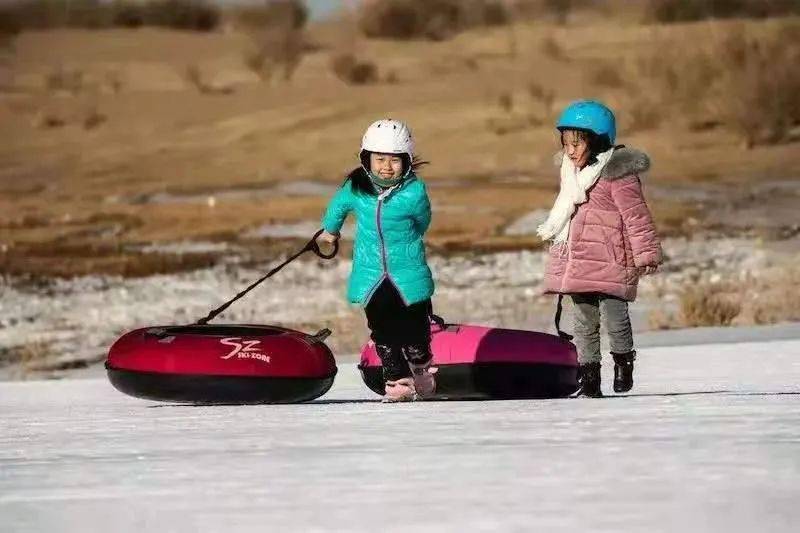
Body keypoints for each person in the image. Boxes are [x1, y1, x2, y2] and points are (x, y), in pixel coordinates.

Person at [538, 100, 663, 397]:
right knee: (583, 323)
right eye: (566, 144)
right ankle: (590, 378)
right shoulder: (571, 175)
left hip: (613, 260)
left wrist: (646, 253)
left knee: (616, 319)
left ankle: (623, 362)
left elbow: (636, 216)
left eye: (577, 144)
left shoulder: (617, 174)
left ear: (598, 141)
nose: (570, 151)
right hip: (580, 261)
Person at [319, 119, 436, 402]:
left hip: (407, 271)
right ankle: (397, 381)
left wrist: (408, 241)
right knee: (382, 327)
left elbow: (423, 222)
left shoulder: (414, 192)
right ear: (366, 159)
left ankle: (421, 365)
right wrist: (330, 231)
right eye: (379, 159)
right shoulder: (356, 187)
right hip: (371, 272)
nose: (386, 166)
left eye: (394, 161)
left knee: (415, 328)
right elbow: (337, 207)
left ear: (406, 161)